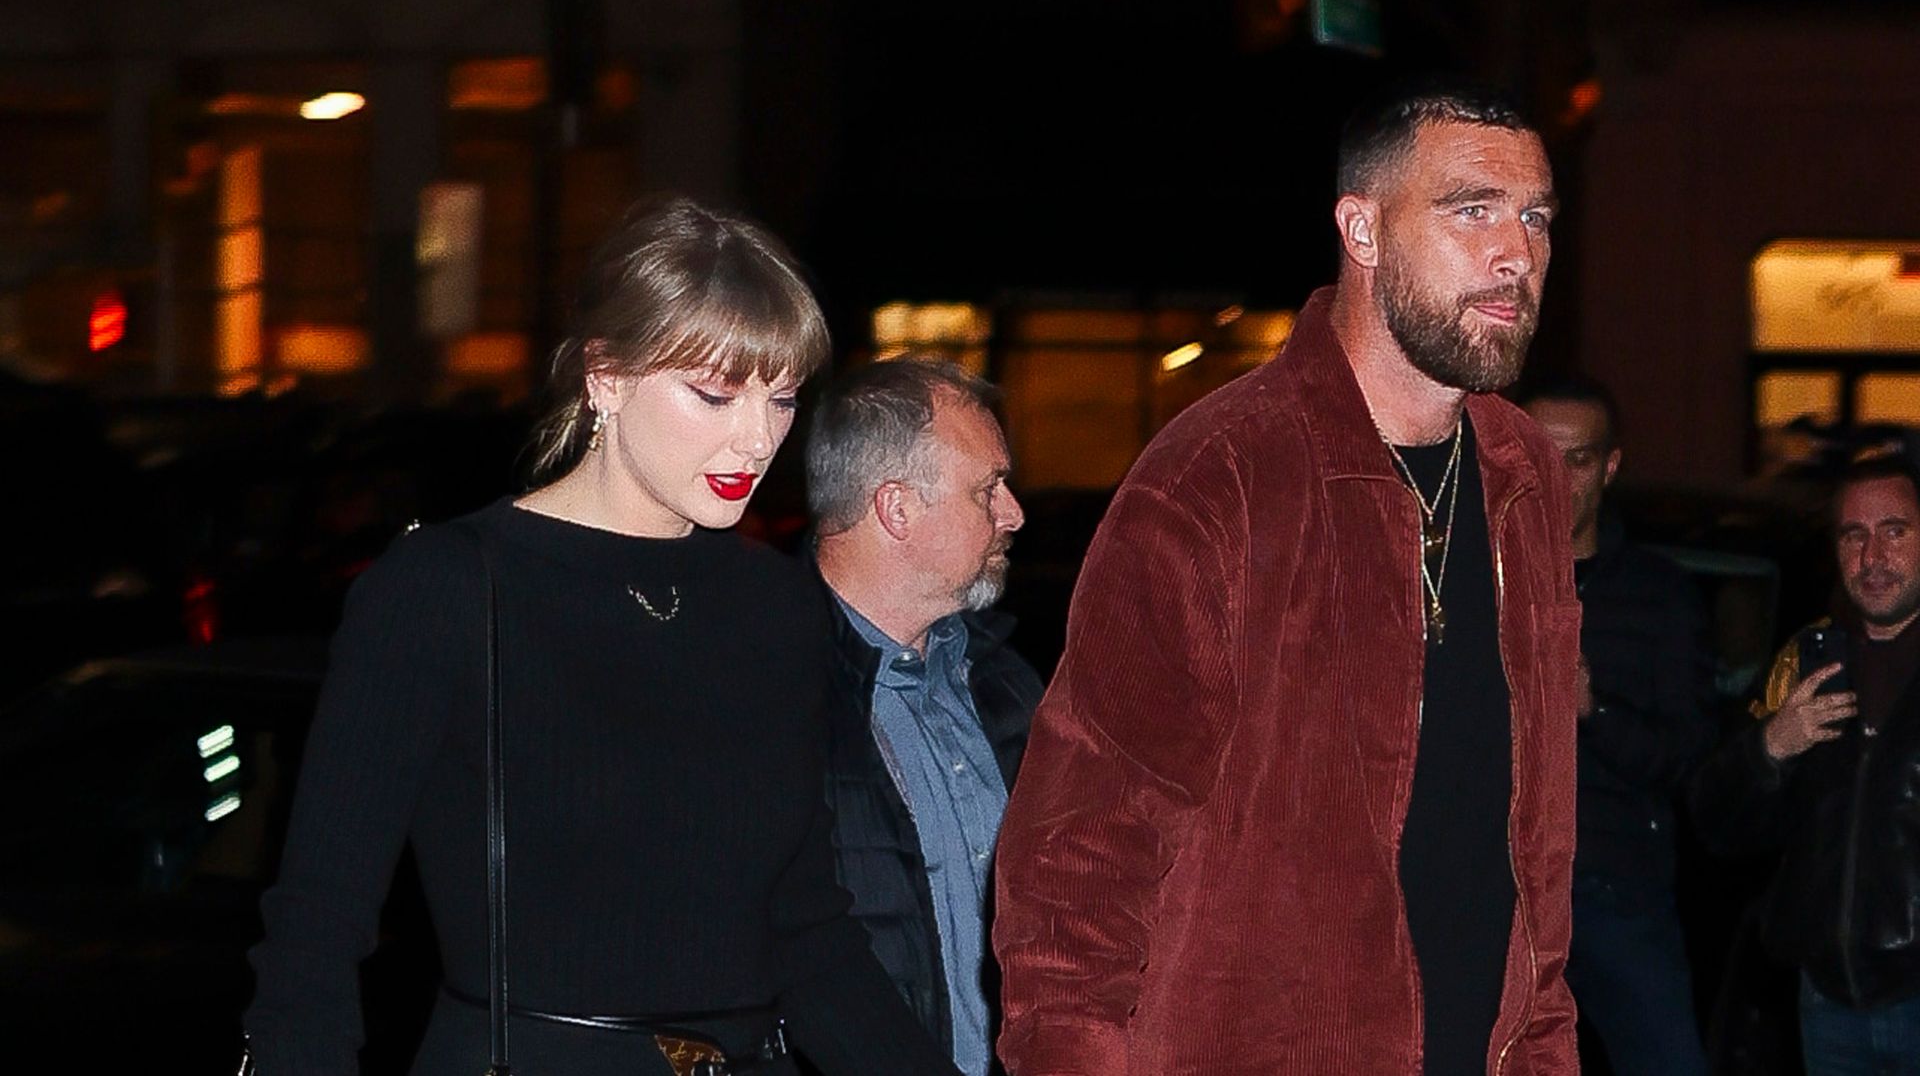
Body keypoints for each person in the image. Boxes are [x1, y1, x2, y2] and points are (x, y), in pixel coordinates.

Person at [244, 198, 961, 1076]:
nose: (758, 438)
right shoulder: (447, 590)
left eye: (780, 398)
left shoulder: (774, 604)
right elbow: (317, 927)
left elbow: (804, 923)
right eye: (714, 394)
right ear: (606, 376)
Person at [991, 81, 1583, 1075]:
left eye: (1535, 218)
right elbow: (1078, 860)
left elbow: (1538, 850)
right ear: (1363, 230)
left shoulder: (1526, 475)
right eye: (1472, 210)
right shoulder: (1220, 474)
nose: (1516, 254)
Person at [802, 357, 1045, 1076]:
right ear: (897, 508)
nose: (1013, 513)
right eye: (988, 489)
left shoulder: (1007, 682)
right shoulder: (766, 689)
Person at [1691, 453, 1920, 1076]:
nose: (1873, 558)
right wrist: (1771, 746)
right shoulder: (1809, 660)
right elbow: (1717, 821)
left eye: (1894, 531)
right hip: (1828, 1004)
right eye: (1853, 536)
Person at [1522, 377, 1716, 1075]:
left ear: (1609, 467)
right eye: (1541, 457)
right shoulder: (1477, 580)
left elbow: (1689, 756)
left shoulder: (1659, 596)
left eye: (1577, 460)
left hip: (1614, 887)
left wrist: (1592, 710)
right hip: (1500, 891)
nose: (1557, 479)